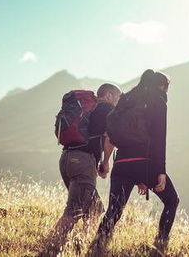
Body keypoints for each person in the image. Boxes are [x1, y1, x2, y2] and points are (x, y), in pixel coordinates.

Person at [88, 69, 179, 256]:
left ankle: (96, 248)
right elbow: (158, 138)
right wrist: (158, 170)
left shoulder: (126, 99)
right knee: (171, 201)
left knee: (114, 211)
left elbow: (114, 133)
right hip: (145, 162)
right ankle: (159, 247)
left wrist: (136, 175)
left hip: (121, 163)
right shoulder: (157, 100)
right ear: (161, 85)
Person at [39, 83, 122, 257]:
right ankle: (48, 251)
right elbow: (109, 139)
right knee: (74, 211)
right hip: (83, 162)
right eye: (118, 97)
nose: (118, 101)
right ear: (108, 95)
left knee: (94, 210)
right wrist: (105, 163)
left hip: (67, 159)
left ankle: (81, 249)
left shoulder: (87, 109)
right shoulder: (106, 109)